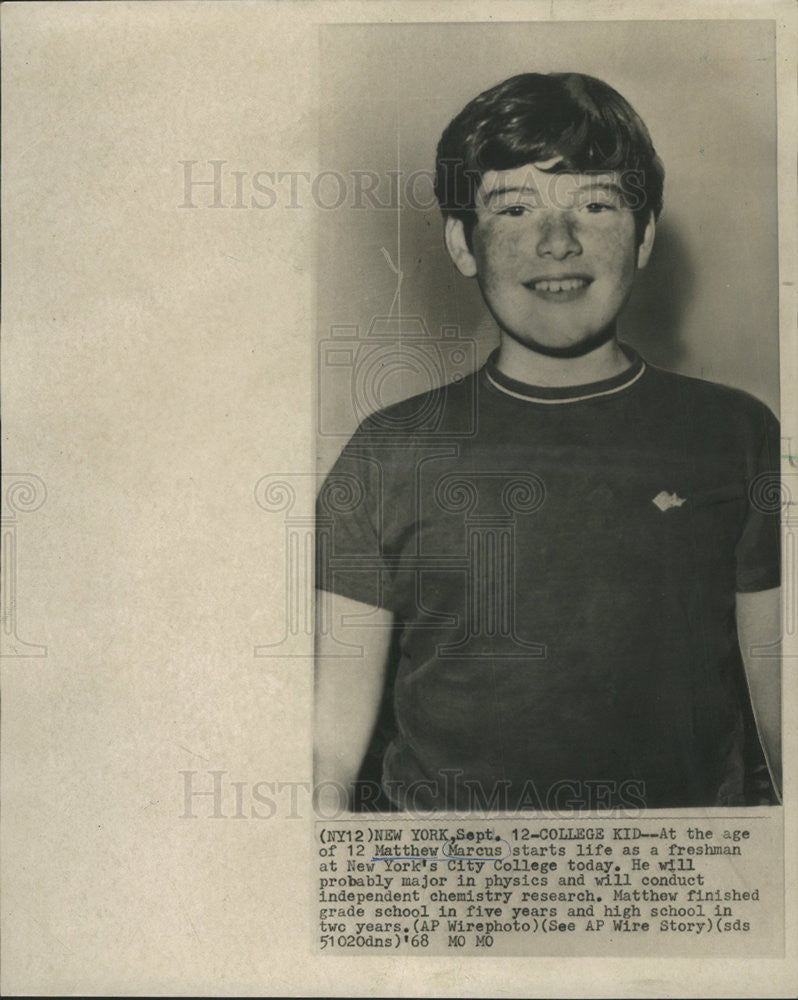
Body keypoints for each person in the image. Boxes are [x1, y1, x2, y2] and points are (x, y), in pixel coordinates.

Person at [314, 72, 782, 812]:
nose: (557, 242)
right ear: (463, 244)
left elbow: (783, 715)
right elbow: (327, 756)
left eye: (596, 205)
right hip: (451, 888)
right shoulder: (388, 451)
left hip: (680, 881)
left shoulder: (737, 433)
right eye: (514, 208)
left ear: (645, 234)